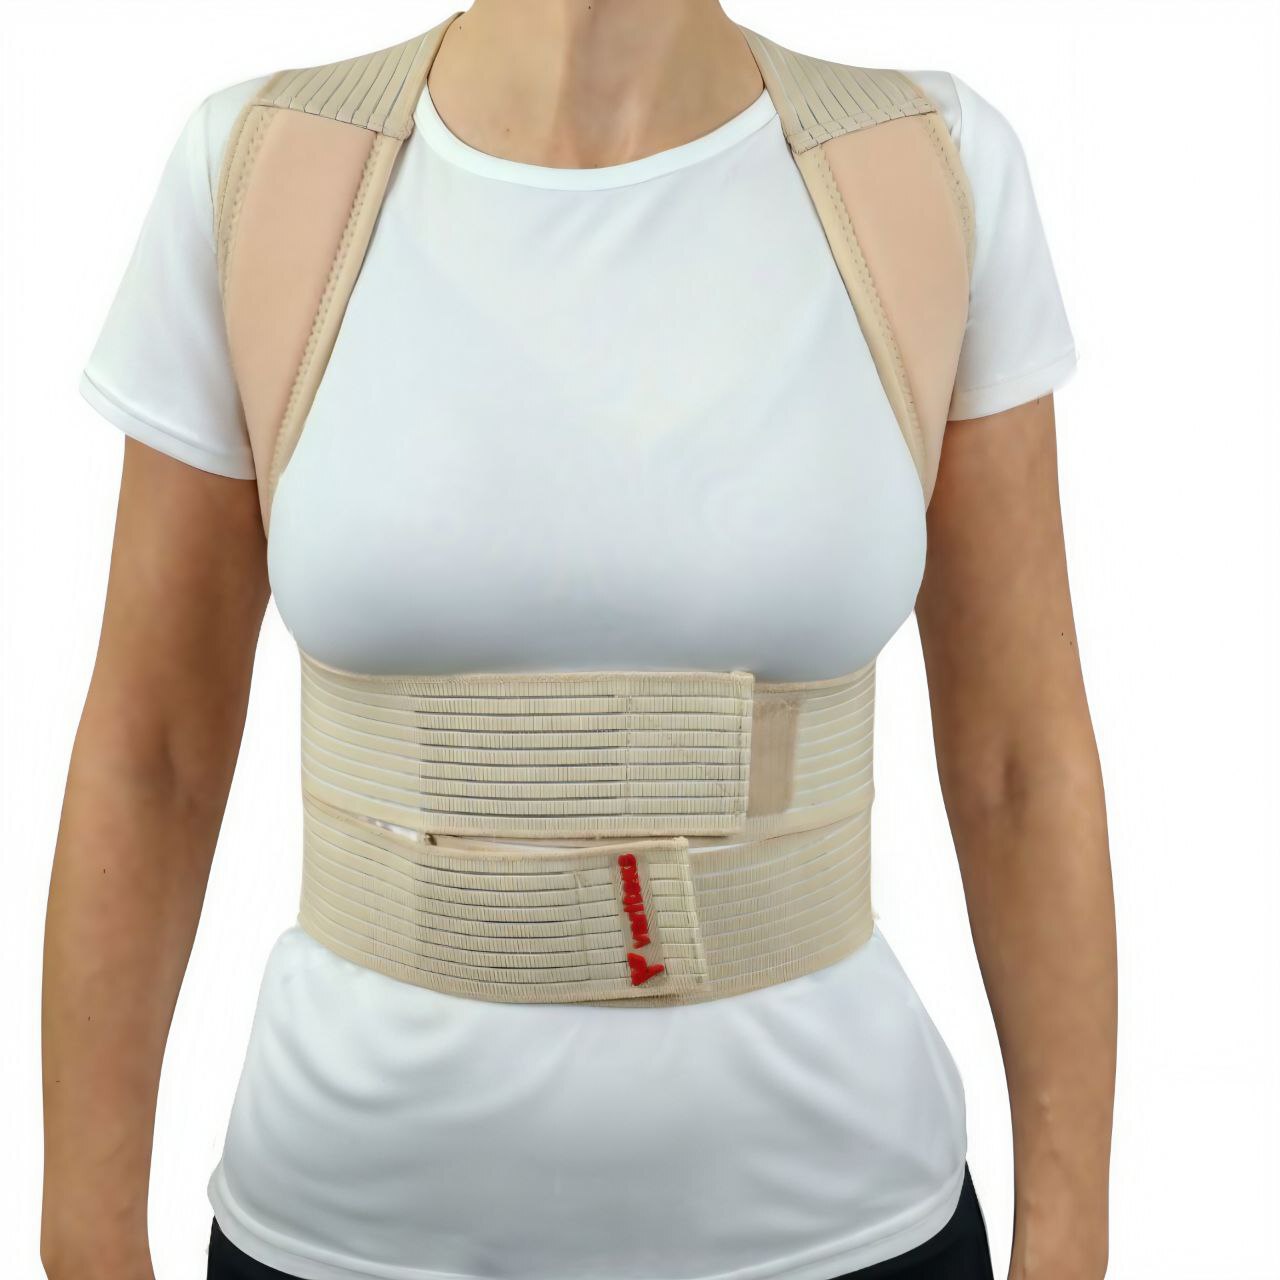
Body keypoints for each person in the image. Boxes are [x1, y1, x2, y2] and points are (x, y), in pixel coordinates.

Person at [40, 2, 1117, 1278]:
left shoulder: (918, 164)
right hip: (345, 1235)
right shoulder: (269, 167)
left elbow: (1016, 762)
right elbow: (153, 752)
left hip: (845, 1227)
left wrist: (1068, 1235)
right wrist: (86, 1230)